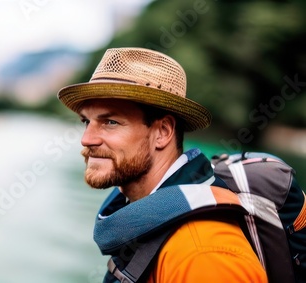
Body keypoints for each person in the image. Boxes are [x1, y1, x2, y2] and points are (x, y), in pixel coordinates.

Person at [57, 48, 267, 282]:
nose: (87, 139)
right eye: (87, 121)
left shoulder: (204, 255)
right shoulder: (148, 223)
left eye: (111, 122)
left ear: (163, 132)